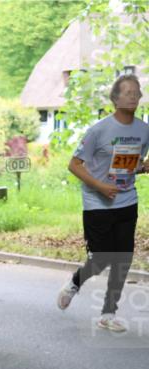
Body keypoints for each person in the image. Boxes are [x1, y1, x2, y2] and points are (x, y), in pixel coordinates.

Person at [58, 73, 149, 332]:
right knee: (101, 258)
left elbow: (132, 165)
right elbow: (74, 165)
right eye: (127, 92)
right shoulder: (99, 130)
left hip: (127, 201)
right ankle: (76, 281)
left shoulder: (144, 130)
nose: (133, 96)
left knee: (124, 259)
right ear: (115, 98)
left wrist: (144, 167)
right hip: (97, 203)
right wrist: (99, 186)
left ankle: (108, 313)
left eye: (136, 92)